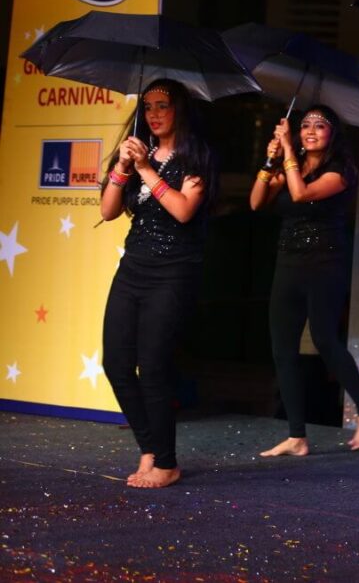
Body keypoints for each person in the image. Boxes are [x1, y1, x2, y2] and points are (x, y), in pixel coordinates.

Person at [100, 79, 216, 489]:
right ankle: (149, 448)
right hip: (133, 268)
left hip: (174, 272)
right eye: (147, 106)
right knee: (115, 364)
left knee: (153, 368)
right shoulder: (137, 153)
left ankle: (165, 462)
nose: (153, 114)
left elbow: (183, 211)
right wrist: (122, 166)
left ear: (179, 109)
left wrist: (146, 169)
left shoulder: (197, 157)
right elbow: (108, 211)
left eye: (162, 105)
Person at [250, 105, 359, 456]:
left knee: (324, 340)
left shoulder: (341, 171)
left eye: (319, 126)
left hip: (325, 264)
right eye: (305, 125)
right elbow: (256, 202)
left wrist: (288, 152)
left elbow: (301, 194)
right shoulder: (290, 165)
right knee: (282, 349)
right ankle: (297, 436)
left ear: (332, 134)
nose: (310, 131)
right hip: (288, 262)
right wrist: (269, 161)